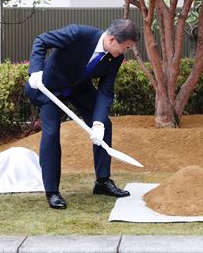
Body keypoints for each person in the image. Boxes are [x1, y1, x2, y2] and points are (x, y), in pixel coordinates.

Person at [25, 19, 140, 209]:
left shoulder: (115, 58)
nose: (125, 52)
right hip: (49, 87)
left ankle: (102, 182)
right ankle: (52, 191)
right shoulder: (78, 34)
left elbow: (105, 91)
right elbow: (41, 40)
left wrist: (98, 124)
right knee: (52, 133)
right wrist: (36, 71)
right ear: (112, 40)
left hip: (78, 89)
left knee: (105, 125)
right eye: (125, 47)